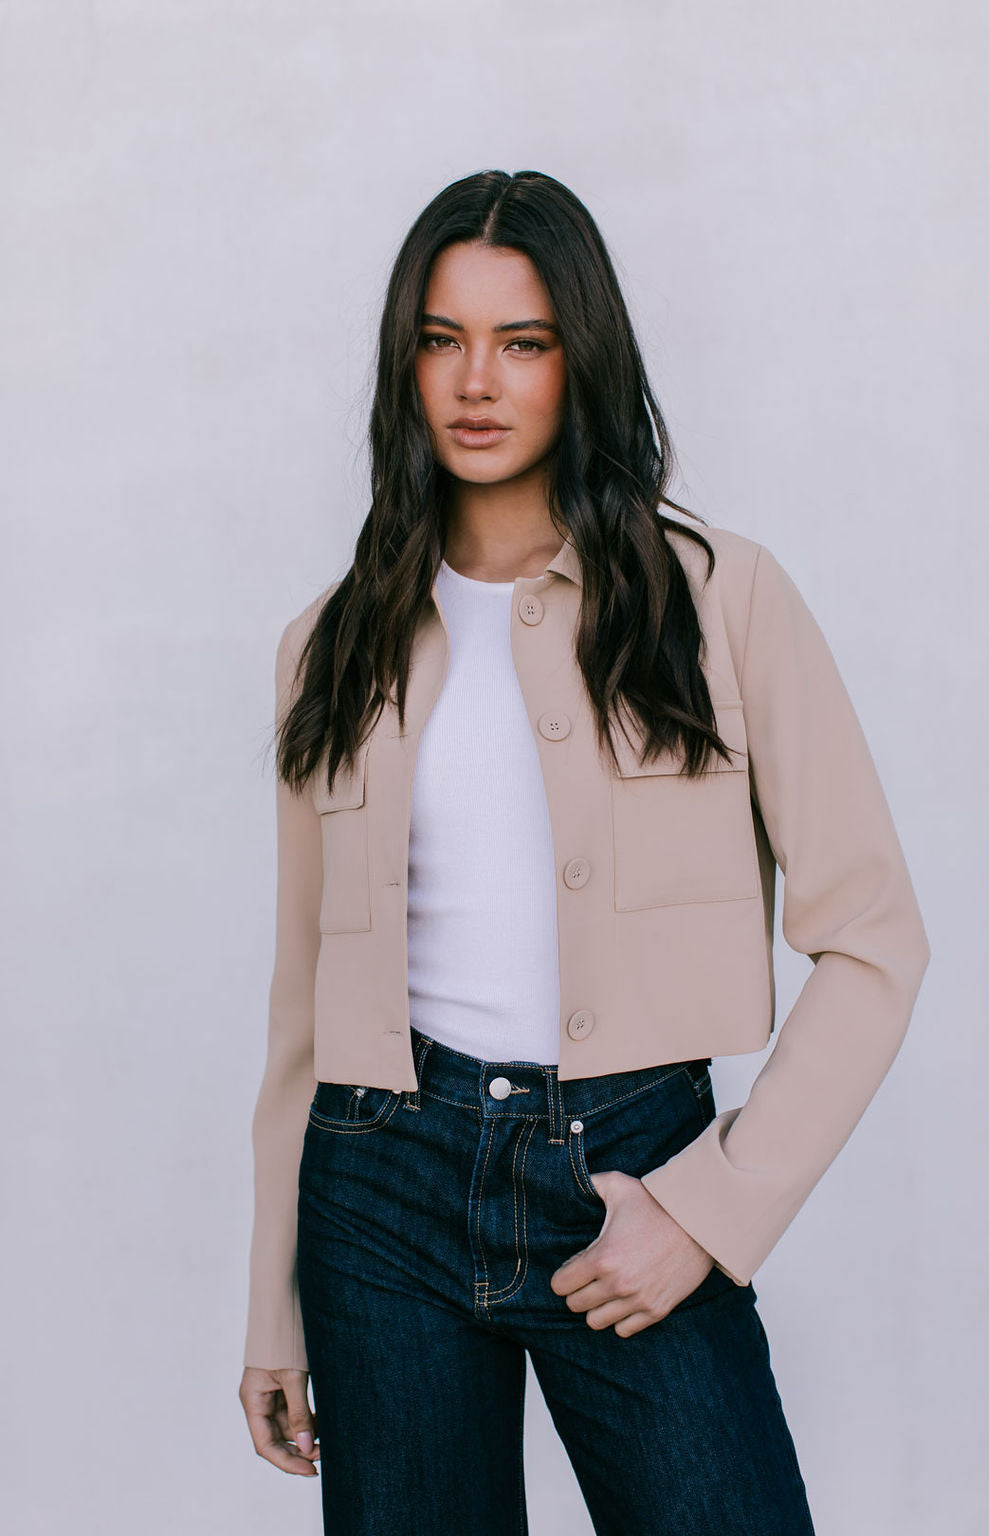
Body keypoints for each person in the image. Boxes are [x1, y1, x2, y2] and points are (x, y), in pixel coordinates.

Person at [237, 169, 929, 1535]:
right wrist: (275, 1301)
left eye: (524, 342)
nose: (475, 382)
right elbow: (303, 1015)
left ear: (582, 360)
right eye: (441, 341)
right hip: (378, 1188)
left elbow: (875, 940)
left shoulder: (718, 599)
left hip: (630, 1169)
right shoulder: (329, 645)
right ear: (404, 366)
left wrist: (713, 1209)